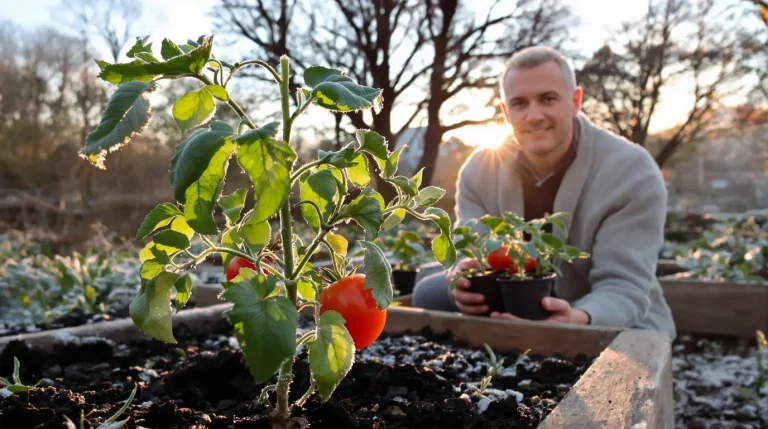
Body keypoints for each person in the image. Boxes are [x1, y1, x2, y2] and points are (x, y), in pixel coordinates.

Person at [411, 46, 676, 338]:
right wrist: (461, 276)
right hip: (508, 305)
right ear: (505, 112)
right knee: (428, 293)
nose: (534, 116)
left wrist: (575, 318)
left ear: (575, 101)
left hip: (602, 314)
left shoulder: (632, 171)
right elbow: (469, 250)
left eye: (548, 99)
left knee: (631, 351)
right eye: (519, 103)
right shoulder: (480, 167)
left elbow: (624, 287)